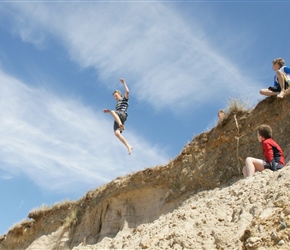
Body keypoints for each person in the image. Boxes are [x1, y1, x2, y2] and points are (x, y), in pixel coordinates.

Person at [103, 78, 133, 155]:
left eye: (116, 96)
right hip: (118, 117)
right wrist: (108, 111)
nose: (115, 98)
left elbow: (127, 91)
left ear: (120, 94)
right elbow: (114, 113)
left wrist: (124, 83)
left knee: (113, 112)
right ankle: (128, 146)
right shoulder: (117, 104)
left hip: (122, 115)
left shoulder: (124, 99)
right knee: (116, 133)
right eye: (114, 97)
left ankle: (120, 124)